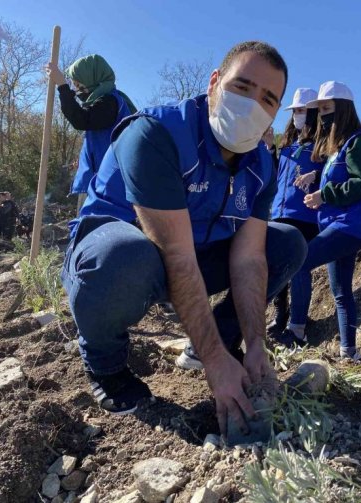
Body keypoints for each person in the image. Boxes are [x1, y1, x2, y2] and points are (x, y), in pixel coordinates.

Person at [61, 41, 307, 437]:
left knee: (287, 243)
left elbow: (249, 258)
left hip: (193, 253)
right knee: (122, 258)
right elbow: (175, 254)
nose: (251, 105)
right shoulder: (157, 133)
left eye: (267, 99)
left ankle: (219, 340)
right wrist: (215, 363)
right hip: (124, 255)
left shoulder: (261, 165)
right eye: (241, 86)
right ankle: (106, 366)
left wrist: (255, 342)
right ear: (214, 83)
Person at [281, 81, 361, 359]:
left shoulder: (359, 142)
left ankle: (296, 330)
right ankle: (349, 352)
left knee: (300, 260)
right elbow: (340, 174)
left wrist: (324, 194)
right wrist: (316, 177)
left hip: (349, 226)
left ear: (343, 110)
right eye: (320, 110)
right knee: (340, 291)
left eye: (326, 109)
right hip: (338, 225)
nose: (322, 116)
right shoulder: (339, 146)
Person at [45, 54, 137, 213]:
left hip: (108, 184)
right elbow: (99, 139)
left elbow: (81, 120)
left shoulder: (110, 102)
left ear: (92, 80)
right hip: (101, 180)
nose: (77, 90)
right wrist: (84, 161)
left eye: (79, 85)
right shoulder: (105, 102)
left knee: (98, 225)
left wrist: (62, 86)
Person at [267, 88, 323, 337]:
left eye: (302, 110)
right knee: (276, 266)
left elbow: (332, 174)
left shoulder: (323, 145)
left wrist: (316, 174)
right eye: (295, 111)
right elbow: (275, 175)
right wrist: (270, 149)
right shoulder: (288, 144)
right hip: (279, 212)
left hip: (305, 215)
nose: (298, 115)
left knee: (299, 268)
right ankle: (280, 314)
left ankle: (297, 323)